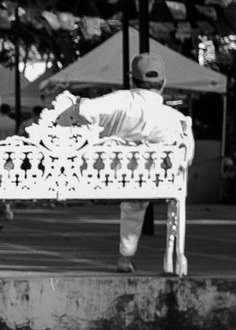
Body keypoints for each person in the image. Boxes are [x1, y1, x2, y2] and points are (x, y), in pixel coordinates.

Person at [53, 52, 190, 272]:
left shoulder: (119, 100)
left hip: (99, 177)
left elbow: (79, 112)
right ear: (163, 83)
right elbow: (187, 156)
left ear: (131, 79)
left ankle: (126, 258)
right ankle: (130, 258)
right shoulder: (175, 119)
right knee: (136, 198)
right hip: (148, 183)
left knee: (132, 190)